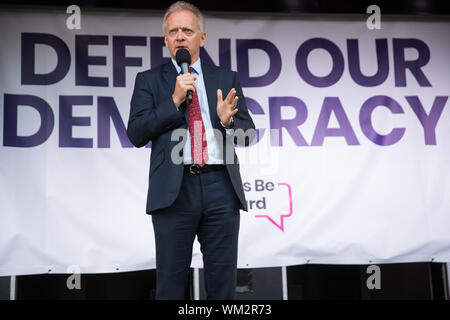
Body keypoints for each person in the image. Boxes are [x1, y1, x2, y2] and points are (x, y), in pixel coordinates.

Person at [127, 1, 255, 300]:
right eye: (173, 31)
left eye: (187, 30)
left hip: (220, 186)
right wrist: (172, 100)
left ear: (202, 37)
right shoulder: (149, 80)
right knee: (170, 287)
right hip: (174, 190)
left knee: (224, 287)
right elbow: (135, 133)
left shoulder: (225, 78)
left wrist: (228, 121)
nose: (180, 36)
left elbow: (248, 135)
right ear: (166, 40)